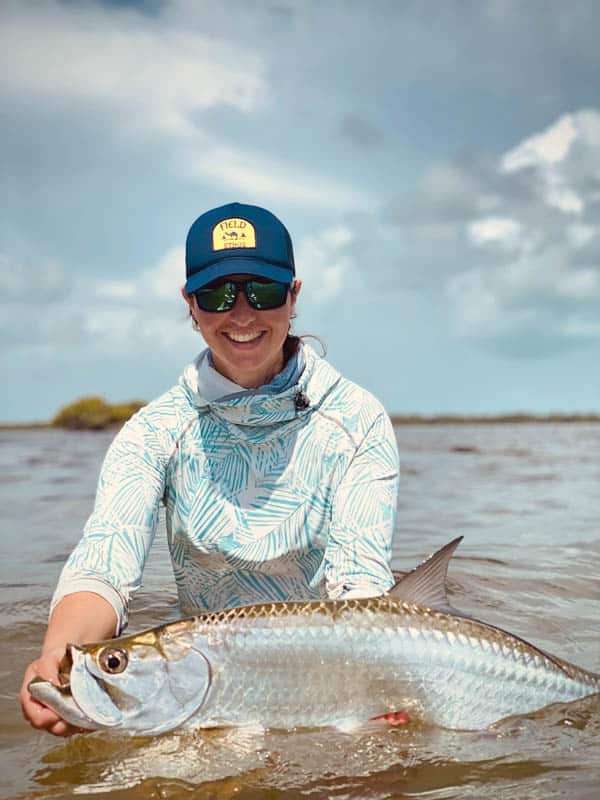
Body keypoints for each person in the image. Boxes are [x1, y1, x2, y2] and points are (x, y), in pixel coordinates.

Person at [20, 202, 400, 736]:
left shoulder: (357, 420)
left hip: (328, 679)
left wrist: (376, 681)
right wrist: (61, 658)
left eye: (262, 292)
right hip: (202, 685)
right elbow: (105, 562)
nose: (241, 315)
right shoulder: (153, 431)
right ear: (190, 305)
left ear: (294, 297)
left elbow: (361, 584)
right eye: (217, 295)